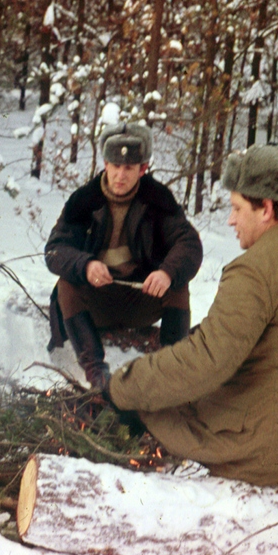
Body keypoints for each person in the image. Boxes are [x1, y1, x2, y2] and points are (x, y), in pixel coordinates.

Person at [106, 144, 278, 489]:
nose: (230, 219)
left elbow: (208, 362)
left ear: (267, 209)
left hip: (270, 450)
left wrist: (125, 384)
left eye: (237, 208)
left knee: (148, 409)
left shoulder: (256, 270)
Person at [45, 122, 203, 390]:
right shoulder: (83, 200)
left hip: (141, 298)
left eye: (129, 168)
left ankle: (173, 368)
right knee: (67, 283)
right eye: (115, 165)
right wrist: (86, 265)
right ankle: (96, 373)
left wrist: (166, 272)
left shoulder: (158, 200)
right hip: (95, 299)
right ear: (105, 164)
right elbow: (55, 250)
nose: (120, 175)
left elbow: (189, 244)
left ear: (143, 169)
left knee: (178, 284)